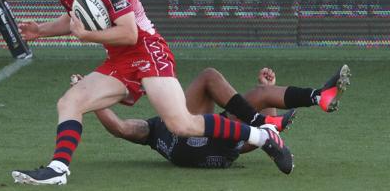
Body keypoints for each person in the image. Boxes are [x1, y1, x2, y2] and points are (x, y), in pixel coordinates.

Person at [12, 0, 297, 185]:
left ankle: (262, 136)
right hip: (120, 60)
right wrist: (42, 30)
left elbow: (129, 34)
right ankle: (59, 168)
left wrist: (86, 36)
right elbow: (75, 18)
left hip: (148, 52)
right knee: (70, 102)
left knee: (181, 124)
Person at [92, 65, 351, 169]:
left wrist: (91, 101)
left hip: (217, 153)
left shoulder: (151, 129)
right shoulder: (158, 124)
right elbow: (120, 128)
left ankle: (315, 99)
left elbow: (119, 128)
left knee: (260, 101)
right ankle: (316, 96)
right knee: (208, 77)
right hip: (206, 146)